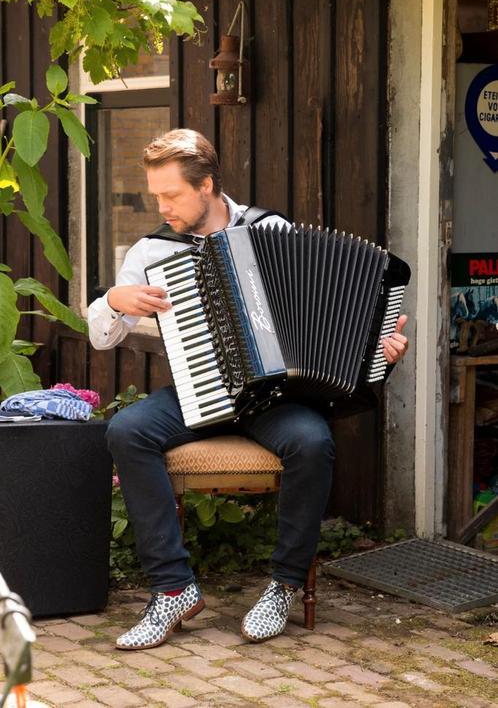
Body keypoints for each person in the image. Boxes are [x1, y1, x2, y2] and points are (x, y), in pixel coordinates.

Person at [88, 128, 409, 650]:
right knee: (127, 430)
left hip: (271, 398)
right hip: (198, 388)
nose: (162, 206)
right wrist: (114, 301)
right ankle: (172, 589)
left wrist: (380, 350)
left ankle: (284, 584)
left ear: (207, 185)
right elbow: (101, 338)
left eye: (172, 195)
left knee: (312, 442)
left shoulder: (270, 229)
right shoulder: (151, 251)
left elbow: (327, 315)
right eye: (156, 195)